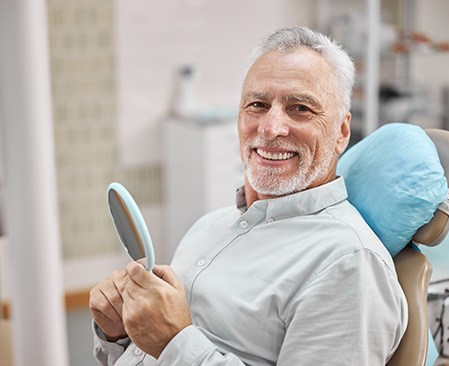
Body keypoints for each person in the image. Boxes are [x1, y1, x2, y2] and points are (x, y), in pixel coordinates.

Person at [89, 26, 408, 365]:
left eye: (300, 108)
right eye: (257, 104)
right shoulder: (209, 226)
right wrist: (119, 334)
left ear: (342, 131)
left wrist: (174, 342)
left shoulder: (348, 264)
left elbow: (171, 346)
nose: (270, 128)